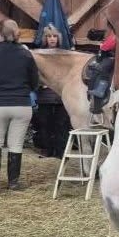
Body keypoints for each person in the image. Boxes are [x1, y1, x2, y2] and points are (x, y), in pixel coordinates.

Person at [0, 19, 39, 192]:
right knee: (16, 144)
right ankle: (13, 183)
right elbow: (35, 82)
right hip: (22, 105)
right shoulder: (26, 54)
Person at [32, 24, 71, 158]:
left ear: (58, 38)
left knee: (62, 123)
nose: (52, 39)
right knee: (45, 122)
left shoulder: (65, 55)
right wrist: (40, 84)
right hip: (45, 94)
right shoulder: (40, 55)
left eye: (54, 36)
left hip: (61, 94)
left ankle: (61, 151)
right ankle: (47, 149)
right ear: (45, 39)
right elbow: (35, 73)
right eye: (49, 36)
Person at [85, 33, 116, 114]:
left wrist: (104, 46)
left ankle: (101, 89)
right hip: (112, 54)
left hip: (118, 55)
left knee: (103, 68)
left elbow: (108, 46)